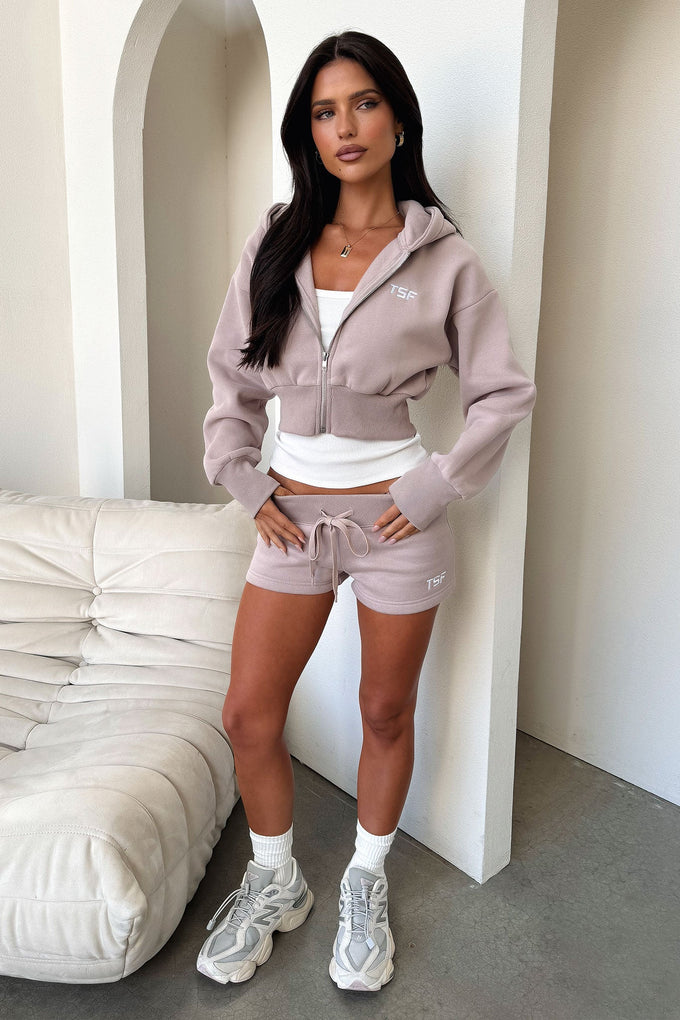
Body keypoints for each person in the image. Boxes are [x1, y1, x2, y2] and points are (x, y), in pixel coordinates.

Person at [197, 30, 536, 992]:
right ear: (307, 131)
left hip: (397, 525)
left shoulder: (446, 259)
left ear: (397, 120)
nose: (344, 126)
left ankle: (364, 879)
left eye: (364, 103)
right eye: (323, 110)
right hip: (291, 520)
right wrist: (246, 480)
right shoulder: (277, 240)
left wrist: (431, 488)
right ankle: (276, 882)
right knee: (249, 715)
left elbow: (503, 393)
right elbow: (231, 378)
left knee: (385, 710)